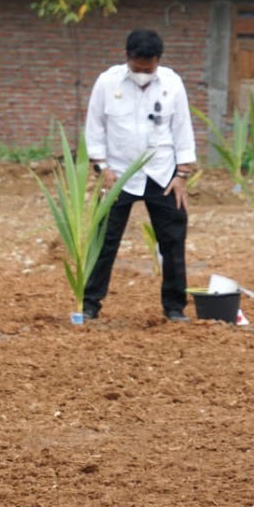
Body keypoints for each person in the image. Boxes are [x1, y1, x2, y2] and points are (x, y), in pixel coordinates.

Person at [83, 29, 196, 322]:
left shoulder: (172, 83)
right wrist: (101, 167)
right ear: (127, 57)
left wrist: (182, 173)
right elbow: (94, 128)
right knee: (104, 241)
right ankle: (90, 303)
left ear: (158, 61)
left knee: (172, 241)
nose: (143, 73)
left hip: (162, 174)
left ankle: (174, 307)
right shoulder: (107, 83)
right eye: (138, 68)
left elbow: (183, 128)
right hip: (117, 175)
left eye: (149, 69)